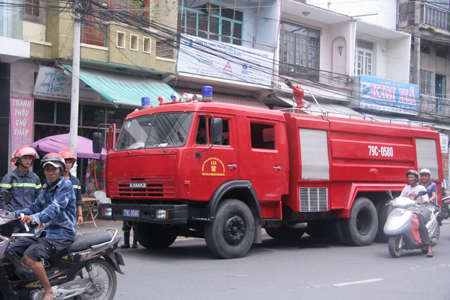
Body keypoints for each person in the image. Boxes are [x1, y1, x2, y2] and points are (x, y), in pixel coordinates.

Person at [9, 153, 77, 300]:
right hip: (47, 233)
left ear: (60, 170)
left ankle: (49, 292)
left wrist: (34, 218)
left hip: (62, 234)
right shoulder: (47, 186)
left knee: (31, 256)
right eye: (47, 169)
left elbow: (55, 208)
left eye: (53, 169)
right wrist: (10, 215)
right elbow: (35, 206)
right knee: (11, 250)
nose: (50, 172)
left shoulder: (66, 186)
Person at [400, 169, 433, 257]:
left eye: (411, 177)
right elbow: (401, 198)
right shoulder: (406, 188)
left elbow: (426, 199)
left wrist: (421, 202)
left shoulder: (421, 188)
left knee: (421, 226)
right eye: (408, 177)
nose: (410, 179)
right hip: (407, 211)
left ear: (416, 178)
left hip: (417, 211)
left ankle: (428, 246)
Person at [0, 146, 41, 214]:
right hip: (14, 215)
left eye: (30, 158)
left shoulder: (35, 178)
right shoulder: (9, 177)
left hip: (30, 215)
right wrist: (7, 214)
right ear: (18, 160)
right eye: (25, 158)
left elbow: (38, 198)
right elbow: (3, 199)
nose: (28, 160)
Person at [59, 147, 84, 226]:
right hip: (58, 214)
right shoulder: (56, 180)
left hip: (71, 215)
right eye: (65, 162)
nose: (67, 165)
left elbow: (79, 199)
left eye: (69, 162)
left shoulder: (76, 181)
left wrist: (80, 215)